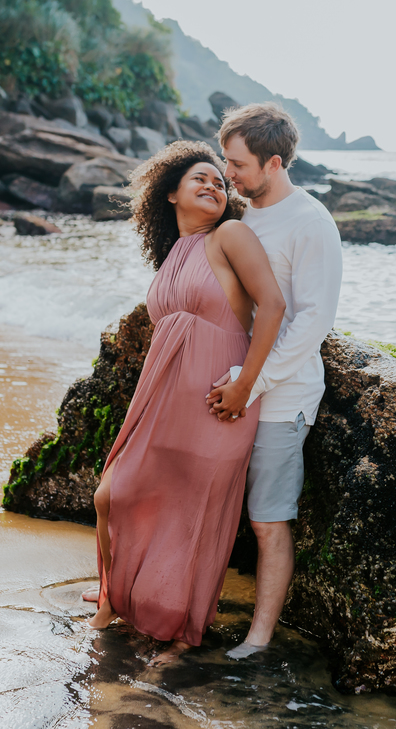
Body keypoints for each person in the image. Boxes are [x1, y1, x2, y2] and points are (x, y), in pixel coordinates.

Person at [86, 141, 286, 668]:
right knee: (114, 494)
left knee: (196, 513)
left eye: (220, 182)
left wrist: (246, 384)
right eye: (200, 178)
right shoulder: (173, 253)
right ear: (170, 192)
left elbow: (273, 305)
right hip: (163, 398)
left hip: (219, 398)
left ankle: (182, 633)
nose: (213, 186)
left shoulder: (231, 236)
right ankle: (114, 596)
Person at [205, 103, 343, 659]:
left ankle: (259, 639)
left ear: (275, 162)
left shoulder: (311, 223)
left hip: (282, 396)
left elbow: (313, 321)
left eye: (237, 164)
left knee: (267, 520)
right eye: (225, 159)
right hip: (233, 384)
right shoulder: (240, 216)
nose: (228, 174)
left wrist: (252, 385)